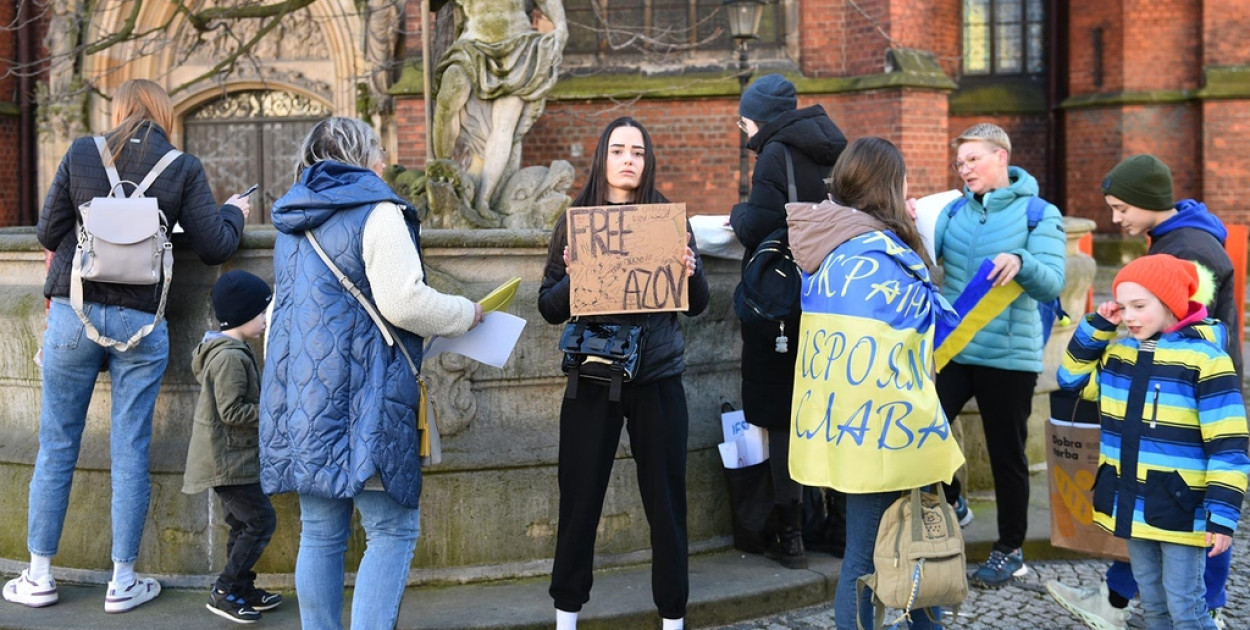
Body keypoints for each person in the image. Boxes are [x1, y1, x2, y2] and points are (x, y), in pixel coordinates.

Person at [3, 78, 248, 613]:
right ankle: (122, 582)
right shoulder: (181, 166)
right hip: (142, 322)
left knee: (56, 444)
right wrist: (233, 211)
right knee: (130, 448)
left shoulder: (80, 153)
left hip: (74, 315)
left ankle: (40, 574)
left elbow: (47, 234)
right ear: (161, 113)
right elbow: (216, 247)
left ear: (119, 110)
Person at [260, 117, 483, 630]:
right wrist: (465, 314)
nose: (385, 163)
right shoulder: (378, 212)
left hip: (303, 398)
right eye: (380, 152)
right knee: (391, 530)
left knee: (320, 532)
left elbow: (281, 317)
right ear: (362, 156)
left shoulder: (294, 221)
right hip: (367, 395)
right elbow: (404, 301)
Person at [1047, 153, 1240, 629]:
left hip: (1180, 506)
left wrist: (1221, 513)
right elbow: (1071, 379)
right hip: (1134, 503)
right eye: (1124, 306)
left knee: (1187, 607)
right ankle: (1118, 601)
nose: (1129, 315)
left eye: (1140, 306)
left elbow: (1228, 445)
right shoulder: (1121, 358)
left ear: (1171, 306)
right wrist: (1096, 325)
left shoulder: (1202, 356)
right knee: (1153, 608)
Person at [787, 136, 964, 629]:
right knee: (866, 561)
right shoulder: (880, 256)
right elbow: (927, 333)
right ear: (889, 186)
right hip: (887, 432)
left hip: (845, 426)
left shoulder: (831, 248)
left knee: (904, 549)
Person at [538, 116, 709, 630]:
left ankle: (673, 618)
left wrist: (691, 271)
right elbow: (548, 307)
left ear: (647, 158)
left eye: (637, 150)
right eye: (618, 150)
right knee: (579, 500)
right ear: (603, 158)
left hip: (656, 378)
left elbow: (697, 305)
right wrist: (573, 277)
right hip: (592, 378)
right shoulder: (575, 221)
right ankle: (566, 616)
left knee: (666, 503)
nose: (628, 158)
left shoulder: (668, 220)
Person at [932, 122, 1066, 587]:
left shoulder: (1038, 214)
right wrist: (906, 221)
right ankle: (954, 500)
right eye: (960, 162)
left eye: (973, 159)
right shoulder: (951, 212)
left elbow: (1053, 282)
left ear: (1001, 158)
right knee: (923, 427)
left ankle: (1010, 549)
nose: (964, 169)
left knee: (1007, 455)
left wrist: (1023, 262)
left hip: (1009, 357)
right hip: (954, 348)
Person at [728, 73, 847, 568]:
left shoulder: (775, 153)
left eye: (744, 119)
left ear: (759, 116)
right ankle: (837, 526)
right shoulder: (836, 148)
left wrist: (736, 212)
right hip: (832, 297)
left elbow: (758, 224)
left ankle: (791, 533)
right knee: (831, 412)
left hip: (784, 306)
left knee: (781, 418)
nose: (742, 129)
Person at [183, 270, 282, 623]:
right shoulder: (229, 357)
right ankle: (225, 590)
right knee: (260, 521)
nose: (266, 321)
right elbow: (231, 411)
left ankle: (241, 586)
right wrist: (273, 412)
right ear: (244, 315)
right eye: (262, 313)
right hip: (228, 462)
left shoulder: (232, 350)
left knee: (243, 525)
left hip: (232, 459)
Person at [432, 0, 568, 222]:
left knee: (504, 127)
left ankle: (484, 199)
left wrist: (561, 26)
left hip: (519, 48)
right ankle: (441, 171)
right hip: (472, 46)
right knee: (449, 95)